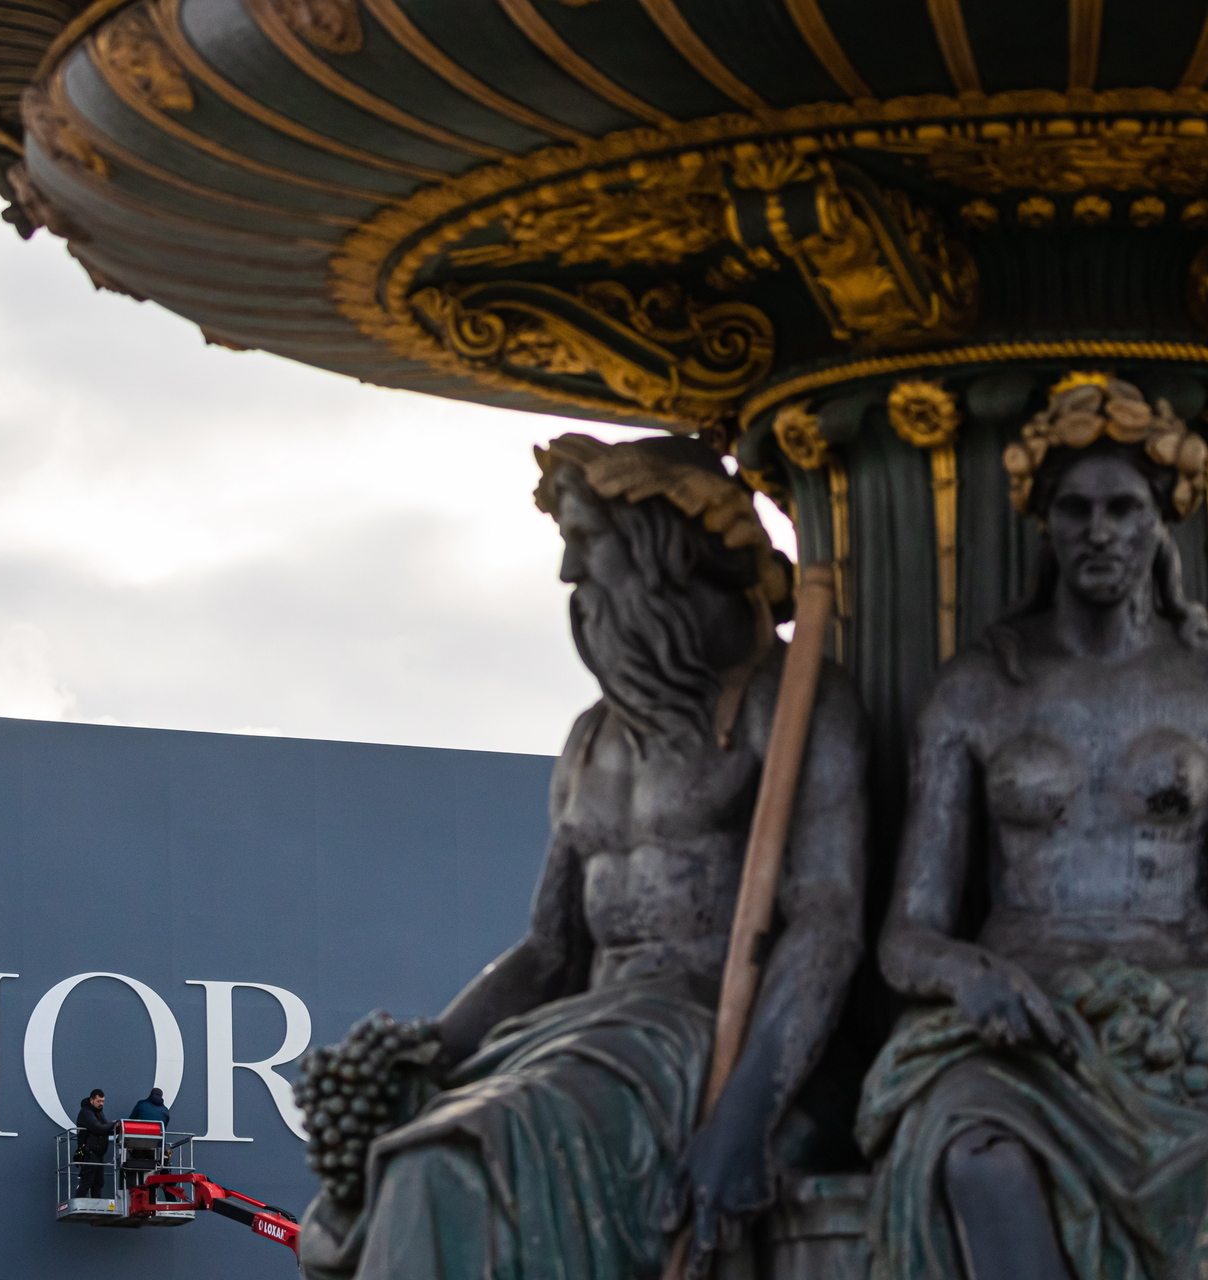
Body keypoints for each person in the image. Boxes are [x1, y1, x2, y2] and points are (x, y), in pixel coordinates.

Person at [298, 433, 868, 1280]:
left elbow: (826, 923)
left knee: (447, 1166)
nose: (570, 573)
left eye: (587, 540)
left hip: (700, 1040)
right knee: (379, 1167)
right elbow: (550, 951)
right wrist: (425, 1053)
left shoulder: (783, 706)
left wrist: (745, 1116)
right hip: (586, 1037)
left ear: (666, 553)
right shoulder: (590, 740)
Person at [860, 376, 1208, 1280]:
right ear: (1045, 523)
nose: (1099, 531)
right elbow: (908, 931)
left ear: (1163, 518)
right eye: (1076, 509)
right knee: (976, 1156)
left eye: (1124, 508)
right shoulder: (975, 690)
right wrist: (969, 976)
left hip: (1194, 1013)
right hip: (1026, 1018)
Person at [74, 1089, 110, 1199]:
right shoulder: (86, 1113)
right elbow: (98, 1128)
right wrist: (113, 1125)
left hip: (98, 1152)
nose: (101, 1104)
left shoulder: (98, 1112)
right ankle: (79, 1204)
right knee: (87, 1180)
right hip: (89, 1151)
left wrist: (113, 1127)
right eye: (99, 1101)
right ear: (91, 1100)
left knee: (98, 1181)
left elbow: (104, 1127)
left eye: (103, 1101)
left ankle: (96, 1205)